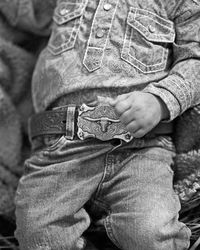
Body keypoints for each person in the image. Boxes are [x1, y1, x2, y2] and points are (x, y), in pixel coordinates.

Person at [12, 0, 200, 249]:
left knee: (151, 233)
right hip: (59, 147)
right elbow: (22, 12)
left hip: (140, 149)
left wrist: (160, 101)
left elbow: (195, 60)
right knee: (38, 237)